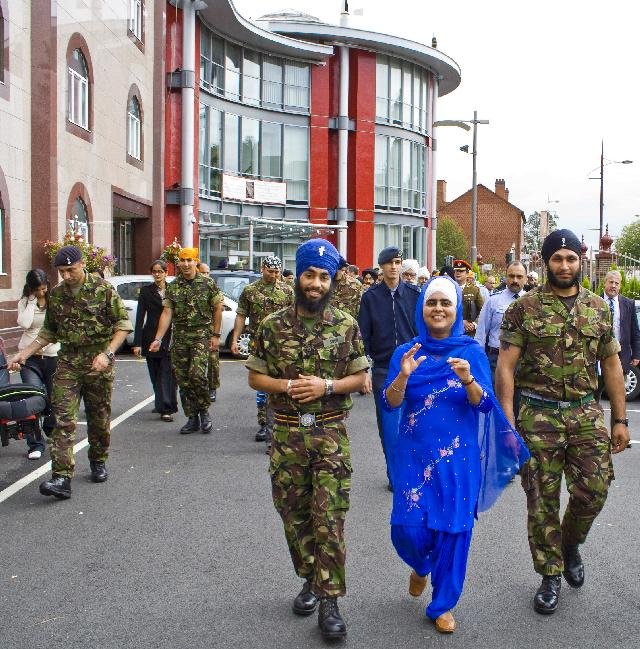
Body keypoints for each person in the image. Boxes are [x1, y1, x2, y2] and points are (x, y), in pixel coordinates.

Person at [381, 275, 529, 633]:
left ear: (457, 309)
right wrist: (403, 377)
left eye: (445, 303)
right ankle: (421, 566)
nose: (438, 309)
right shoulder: (407, 353)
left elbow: (485, 405)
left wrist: (468, 380)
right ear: (422, 309)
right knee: (406, 529)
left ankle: (443, 604)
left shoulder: (471, 352)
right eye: (431, 302)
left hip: (458, 458)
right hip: (415, 456)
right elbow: (390, 403)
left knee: (454, 530)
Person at [496, 229, 629, 615]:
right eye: (558, 258)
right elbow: (505, 368)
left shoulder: (598, 308)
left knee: (593, 491)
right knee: (541, 499)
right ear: (546, 262)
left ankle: (569, 543)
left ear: (580, 262)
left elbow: (612, 365)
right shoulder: (524, 308)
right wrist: (507, 423)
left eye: (571, 259)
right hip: (538, 415)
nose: (565, 265)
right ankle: (550, 574)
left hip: (586, 413)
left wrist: (620, 419)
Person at [246, 238, 368, 641]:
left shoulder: (346, 324)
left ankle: (330, 600)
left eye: (323, 277)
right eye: (309, 275)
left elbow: (360, 378)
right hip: (286, 433)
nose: (316, 284)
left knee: (329, 518)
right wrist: (286, 385)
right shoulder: (272, 325)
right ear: (297, 276)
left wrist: (326, 385)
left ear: (332, 281)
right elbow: (255, 376)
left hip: (330, 432)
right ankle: (311, 578)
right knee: (294, 515)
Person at [9, 246, 132, 499]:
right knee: (62, 419)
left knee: (98, 417)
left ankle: (98, 460)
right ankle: (61, 477)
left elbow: (123, 325)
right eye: (62, 271)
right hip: (68, 362)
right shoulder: (57, 294)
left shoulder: (103, 289)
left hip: (98, 361)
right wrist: (25, 353)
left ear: (82, 264)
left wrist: (107, 354)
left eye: (70, 270)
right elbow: (49, 331)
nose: (66, 276)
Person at [358, 246, 421, 488]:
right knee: (389, 424)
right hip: (384, 368)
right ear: (381, 267)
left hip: (413, 368)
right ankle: (395, 475)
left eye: (397, 262)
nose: (394, 267)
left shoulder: (414, 295)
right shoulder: (370, 298)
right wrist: (364, 369)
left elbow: (422, 331)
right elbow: (363, 335)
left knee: (414, 420)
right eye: (389, 263)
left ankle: (413, 470)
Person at [150, 247, 223, 435]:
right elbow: (167, 312)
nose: (186, 264)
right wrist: (158, 339)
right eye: (182, 260)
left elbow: (218, 308)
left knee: (197, 375)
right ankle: (192, 417)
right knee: (183, 379)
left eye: (189, 260)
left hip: (201, 335)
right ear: (178, 263)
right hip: (180, 338)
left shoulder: (208, 283)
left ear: (196, 261)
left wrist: (216, 335)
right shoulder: (174, 286)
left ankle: (204, 411)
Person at [230, 256, 294, 448]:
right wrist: (235, 339)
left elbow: (295, 317)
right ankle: (264, 424)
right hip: (259, 345)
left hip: (282, 345)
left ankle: (279, 424)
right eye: (270, 271)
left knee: (280, 385)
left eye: (276, 272)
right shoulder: (250, 291)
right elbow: (241, 315)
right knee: (261, 386)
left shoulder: (287, 291)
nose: (273, 275)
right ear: (262, 269)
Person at [16, 269, 60, 459]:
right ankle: (35, 444)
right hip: (29, 358)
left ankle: (51, 426)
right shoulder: (25, 302)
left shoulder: (55, 300)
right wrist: (32, 301)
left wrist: (46, 344)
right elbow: (24, 324)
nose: (42, 292)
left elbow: (59, 327)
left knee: (54, 399)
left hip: (51, 356)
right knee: (31, 398)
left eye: (44, 288)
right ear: (31, 288)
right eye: (37, 290)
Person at [132, 260, 178, 422]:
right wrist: (137, 343)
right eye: (154, 271)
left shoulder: (173, 289)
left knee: (166, 373)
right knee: (154, 373)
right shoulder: (146, 291)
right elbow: (140, 317)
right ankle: (161, 402)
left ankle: (166, 408)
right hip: (150, 336)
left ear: (166, 273)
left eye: (160, 271)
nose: (157, 274)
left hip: (169, 336)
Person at [475, 261, 527, 378]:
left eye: (519, 277)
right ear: (505, 277)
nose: (515, 280)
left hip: (524, 361)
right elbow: (481, 332)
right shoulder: (493, 301)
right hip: (496, 359)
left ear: (526, 279)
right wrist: (478, 360)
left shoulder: (532, 302)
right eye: (511, 276)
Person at [602, 269, 640, 381]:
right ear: (605, 283)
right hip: (598, 356)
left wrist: (636, 354)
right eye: (611, 282)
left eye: (616, 283)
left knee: (619, 389)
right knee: (597, 388)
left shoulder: (629, 304)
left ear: (620, 286)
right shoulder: (594, 301)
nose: (613, 285)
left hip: (621, 356)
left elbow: (635, 331)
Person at [197, 261, 220, 402]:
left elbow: (220, 308)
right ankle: (199, 389)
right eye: (203, 272)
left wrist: (216, 334)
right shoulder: (193, 288)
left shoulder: (213, 287)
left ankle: (212, 388)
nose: (206, 275)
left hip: (211, 330)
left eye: (207, 272)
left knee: (213, 361)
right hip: (197, 332)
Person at [452, 259, 484, 336]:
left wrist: (474, 324)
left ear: (467, 273)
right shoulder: (448, 288)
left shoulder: (474, 290)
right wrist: (460, 322)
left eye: (461, 271)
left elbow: (483, 310)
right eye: (456, 271)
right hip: (452, 330)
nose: (458, 273)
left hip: (469, 332)